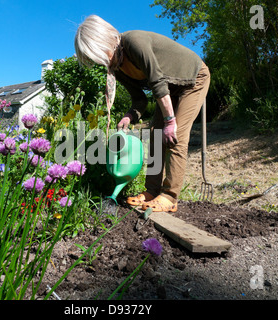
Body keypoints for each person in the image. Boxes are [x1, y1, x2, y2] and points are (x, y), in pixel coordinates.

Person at [75, 15, 210, 212]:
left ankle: (170, 196)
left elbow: (157, 82)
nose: (100, 62)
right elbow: (140, 100)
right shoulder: (118, 68)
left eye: (97, 55)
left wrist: (170, 121)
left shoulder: (133, 42)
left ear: (104, 41)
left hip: (193, 78)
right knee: (155, 133)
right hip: (169, 88)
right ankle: (152, 191)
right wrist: (129, 116)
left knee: (175, 136)